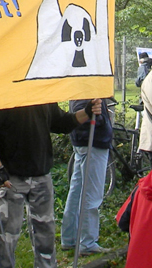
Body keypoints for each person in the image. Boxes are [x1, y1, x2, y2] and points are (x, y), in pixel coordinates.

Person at [0, 101, 100, 268]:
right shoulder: (3, 95)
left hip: (41, 177)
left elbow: (62, 122)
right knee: (5, 240)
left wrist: (87, 112)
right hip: (10, 179)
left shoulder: (42, 94)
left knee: (46, 238)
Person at [61, 98, 113, 255]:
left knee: (76, 191)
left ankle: (70, 237)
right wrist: (101, 119)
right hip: (92, 142)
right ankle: (87, 242)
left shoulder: (83, 88)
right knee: (92, 194)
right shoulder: (86, 89)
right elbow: (82, 115)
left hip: (86, 142)